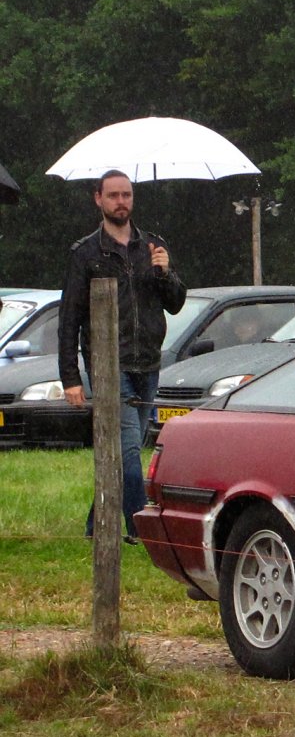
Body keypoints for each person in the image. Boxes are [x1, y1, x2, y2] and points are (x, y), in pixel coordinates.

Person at [59, 170, 187, 543]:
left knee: (122, 452)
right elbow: (69, 319)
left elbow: (176, 304)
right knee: (129, 449)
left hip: (148, 362)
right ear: (98, 199)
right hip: (107, 365)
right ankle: (140, 530)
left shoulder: (153, 246)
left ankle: (94, 524)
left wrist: (164, 273)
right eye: (113, 195)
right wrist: (70, 377)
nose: (121, 202)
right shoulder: (85, 253)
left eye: (126, 195)